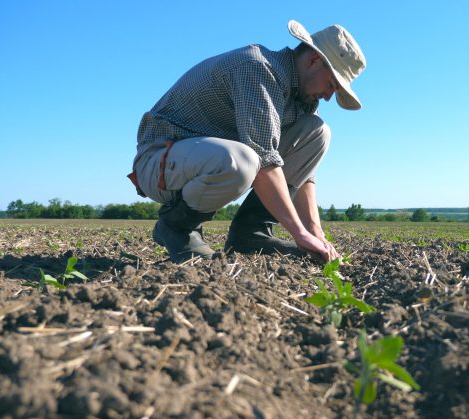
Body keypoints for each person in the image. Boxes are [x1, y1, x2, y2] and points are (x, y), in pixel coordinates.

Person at [128, 20, 366, 263]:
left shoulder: (301, 96)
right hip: (158, 161)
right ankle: (177, 226)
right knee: (242, 161)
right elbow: (263, 160)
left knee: (317, 131)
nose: (328, 97)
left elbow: (303, 176)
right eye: (331, 85)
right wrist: (299, 233)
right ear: (314, 60)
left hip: (203, 160)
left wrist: (316, 233)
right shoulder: (258, 69)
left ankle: (251, 233)